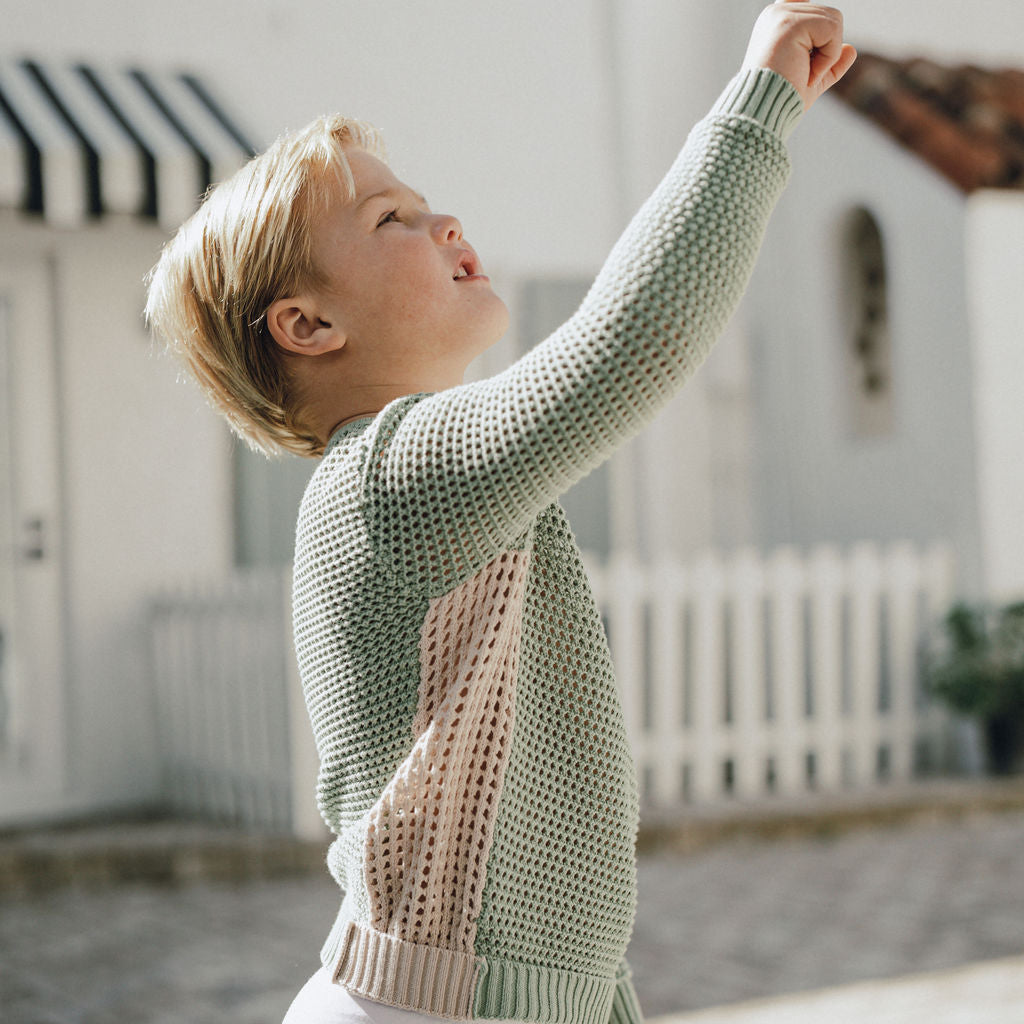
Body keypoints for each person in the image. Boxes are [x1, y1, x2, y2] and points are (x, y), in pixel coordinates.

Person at [145, 3, 855, 1022]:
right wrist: (757, 108)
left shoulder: (423, 482)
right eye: (391, 219)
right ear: (307, 324)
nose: (446, 223)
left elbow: (525, 873)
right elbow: (630, 340)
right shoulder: (392, 475)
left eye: (428, 204)